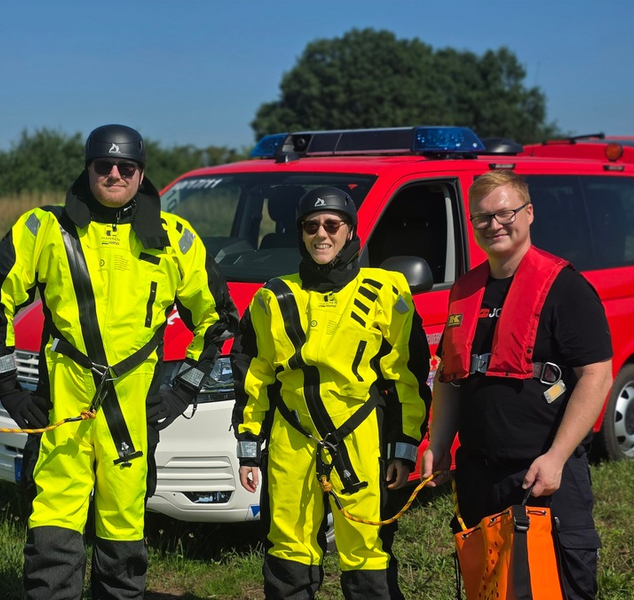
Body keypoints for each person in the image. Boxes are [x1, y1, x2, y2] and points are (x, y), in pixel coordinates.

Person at [0, 124, 238, 600]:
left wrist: (183, 390)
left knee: (124, 520)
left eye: (126, 167)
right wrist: (9, 385)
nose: (114, 174)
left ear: (141, 173)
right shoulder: (44, 229)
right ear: (88, 168)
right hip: (62, 408)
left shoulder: (174, 237)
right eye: (104, 165)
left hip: (133, 412)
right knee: (54, 515)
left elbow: (217, 319)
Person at [232, 186, 431, 599]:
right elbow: (255, 376)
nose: (321, 234)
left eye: (332, 225)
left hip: (362, 440)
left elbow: (407, 379)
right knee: (288, 551)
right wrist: (249, 443)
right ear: (300, 233)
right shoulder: (272, 297)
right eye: (311, 226)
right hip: (292, 442)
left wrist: (404, 446)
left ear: (350, 230)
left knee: (367, 552)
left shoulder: (387, 292)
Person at [421, 170, 613, 599]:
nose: (494, 225)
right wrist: (437, 445)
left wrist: (557, 457)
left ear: (528, 213)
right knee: (490, 589)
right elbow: (451, 379)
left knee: (557, 588)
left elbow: (596, 375)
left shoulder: (566, 288)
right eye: (483, 218)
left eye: (504, 213)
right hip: (478, 477)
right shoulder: (465, 291)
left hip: (543, 476)